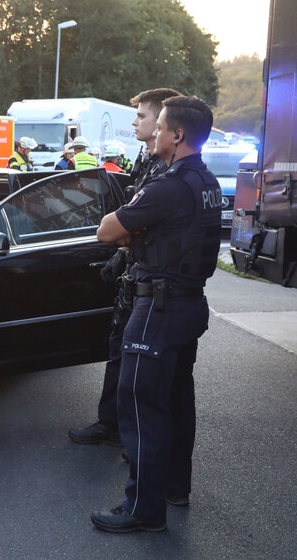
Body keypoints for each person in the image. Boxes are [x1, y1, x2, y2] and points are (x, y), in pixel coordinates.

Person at [91, 96, 221, 533]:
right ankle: (172, 488)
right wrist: (141, 233)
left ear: (177, 135)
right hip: (188, 304)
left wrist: (133, 234)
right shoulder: (206, 181)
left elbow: (106, 229)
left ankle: (142, 510)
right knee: (178, 399)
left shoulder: (167, 184)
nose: (156, 131)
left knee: (141, 403)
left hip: (158, 307)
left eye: (160, 124)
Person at [68, 88, 182, 450]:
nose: (135, 122)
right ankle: (112, 424)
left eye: (143, 117)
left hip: (153, 280)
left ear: (165, 123)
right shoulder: (147, 158)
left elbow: (134, 225)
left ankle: (127, 437)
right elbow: (129, 216)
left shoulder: (168, 169)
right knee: (119, 351)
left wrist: (126, 235)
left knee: (139, 366)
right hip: (134, 273)